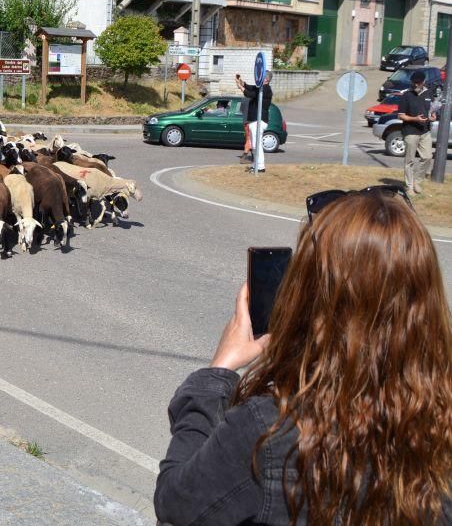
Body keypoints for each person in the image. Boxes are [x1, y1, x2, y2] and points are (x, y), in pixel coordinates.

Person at [155, 188, 452, 525]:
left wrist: (218, 373)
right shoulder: (438, 417)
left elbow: (175, 505)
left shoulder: (267, 430)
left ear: (308, 294)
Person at [397, 70, 436, 195]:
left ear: (423, 82)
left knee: (427, 157)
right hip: (410, 131)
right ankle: (409, 186)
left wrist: (433, 116)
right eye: (413, 82)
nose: (415, 85)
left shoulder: (429, 93)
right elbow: (401, 115)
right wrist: (415, 119)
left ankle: (417, 181)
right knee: (410, 160)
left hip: (425, 131)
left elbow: (431, 111)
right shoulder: (406, 95)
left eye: (418, 83)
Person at [235, 71, 273, 165]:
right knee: (256, 145)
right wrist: (241, 81)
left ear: (266, 79)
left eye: (261, 76)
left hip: (258, 121)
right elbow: (251, 87)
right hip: (255, 121)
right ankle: (257, 165)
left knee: (256, 145)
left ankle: (259, 166)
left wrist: (240, 87)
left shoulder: (265, 89)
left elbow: (250, 94)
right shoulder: (261, 88)